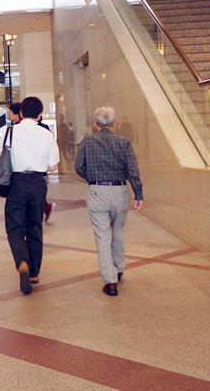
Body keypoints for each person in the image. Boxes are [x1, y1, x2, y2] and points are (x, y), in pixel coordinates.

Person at [74, 106, 143, 297]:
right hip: (120, 191)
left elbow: (78, 166)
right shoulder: (124, 142)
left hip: (97, 191)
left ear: (96, 123)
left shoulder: (87, 142)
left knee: (103, 238)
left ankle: (110, 282)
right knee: (118, 232)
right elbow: (133, 170)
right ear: (115, 123)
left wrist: (92, 177)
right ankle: (119, 269)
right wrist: (138, 194)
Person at [0, 96, 59, 295]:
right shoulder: (46, 134)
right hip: (37, 184)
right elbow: (52, 167)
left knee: (15, 227)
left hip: (16, 183)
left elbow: (5, 158)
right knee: (35, 226)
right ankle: (33, 273)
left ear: (21, 113)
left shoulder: (10, 132)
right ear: (40, 115)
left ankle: (22, 263)